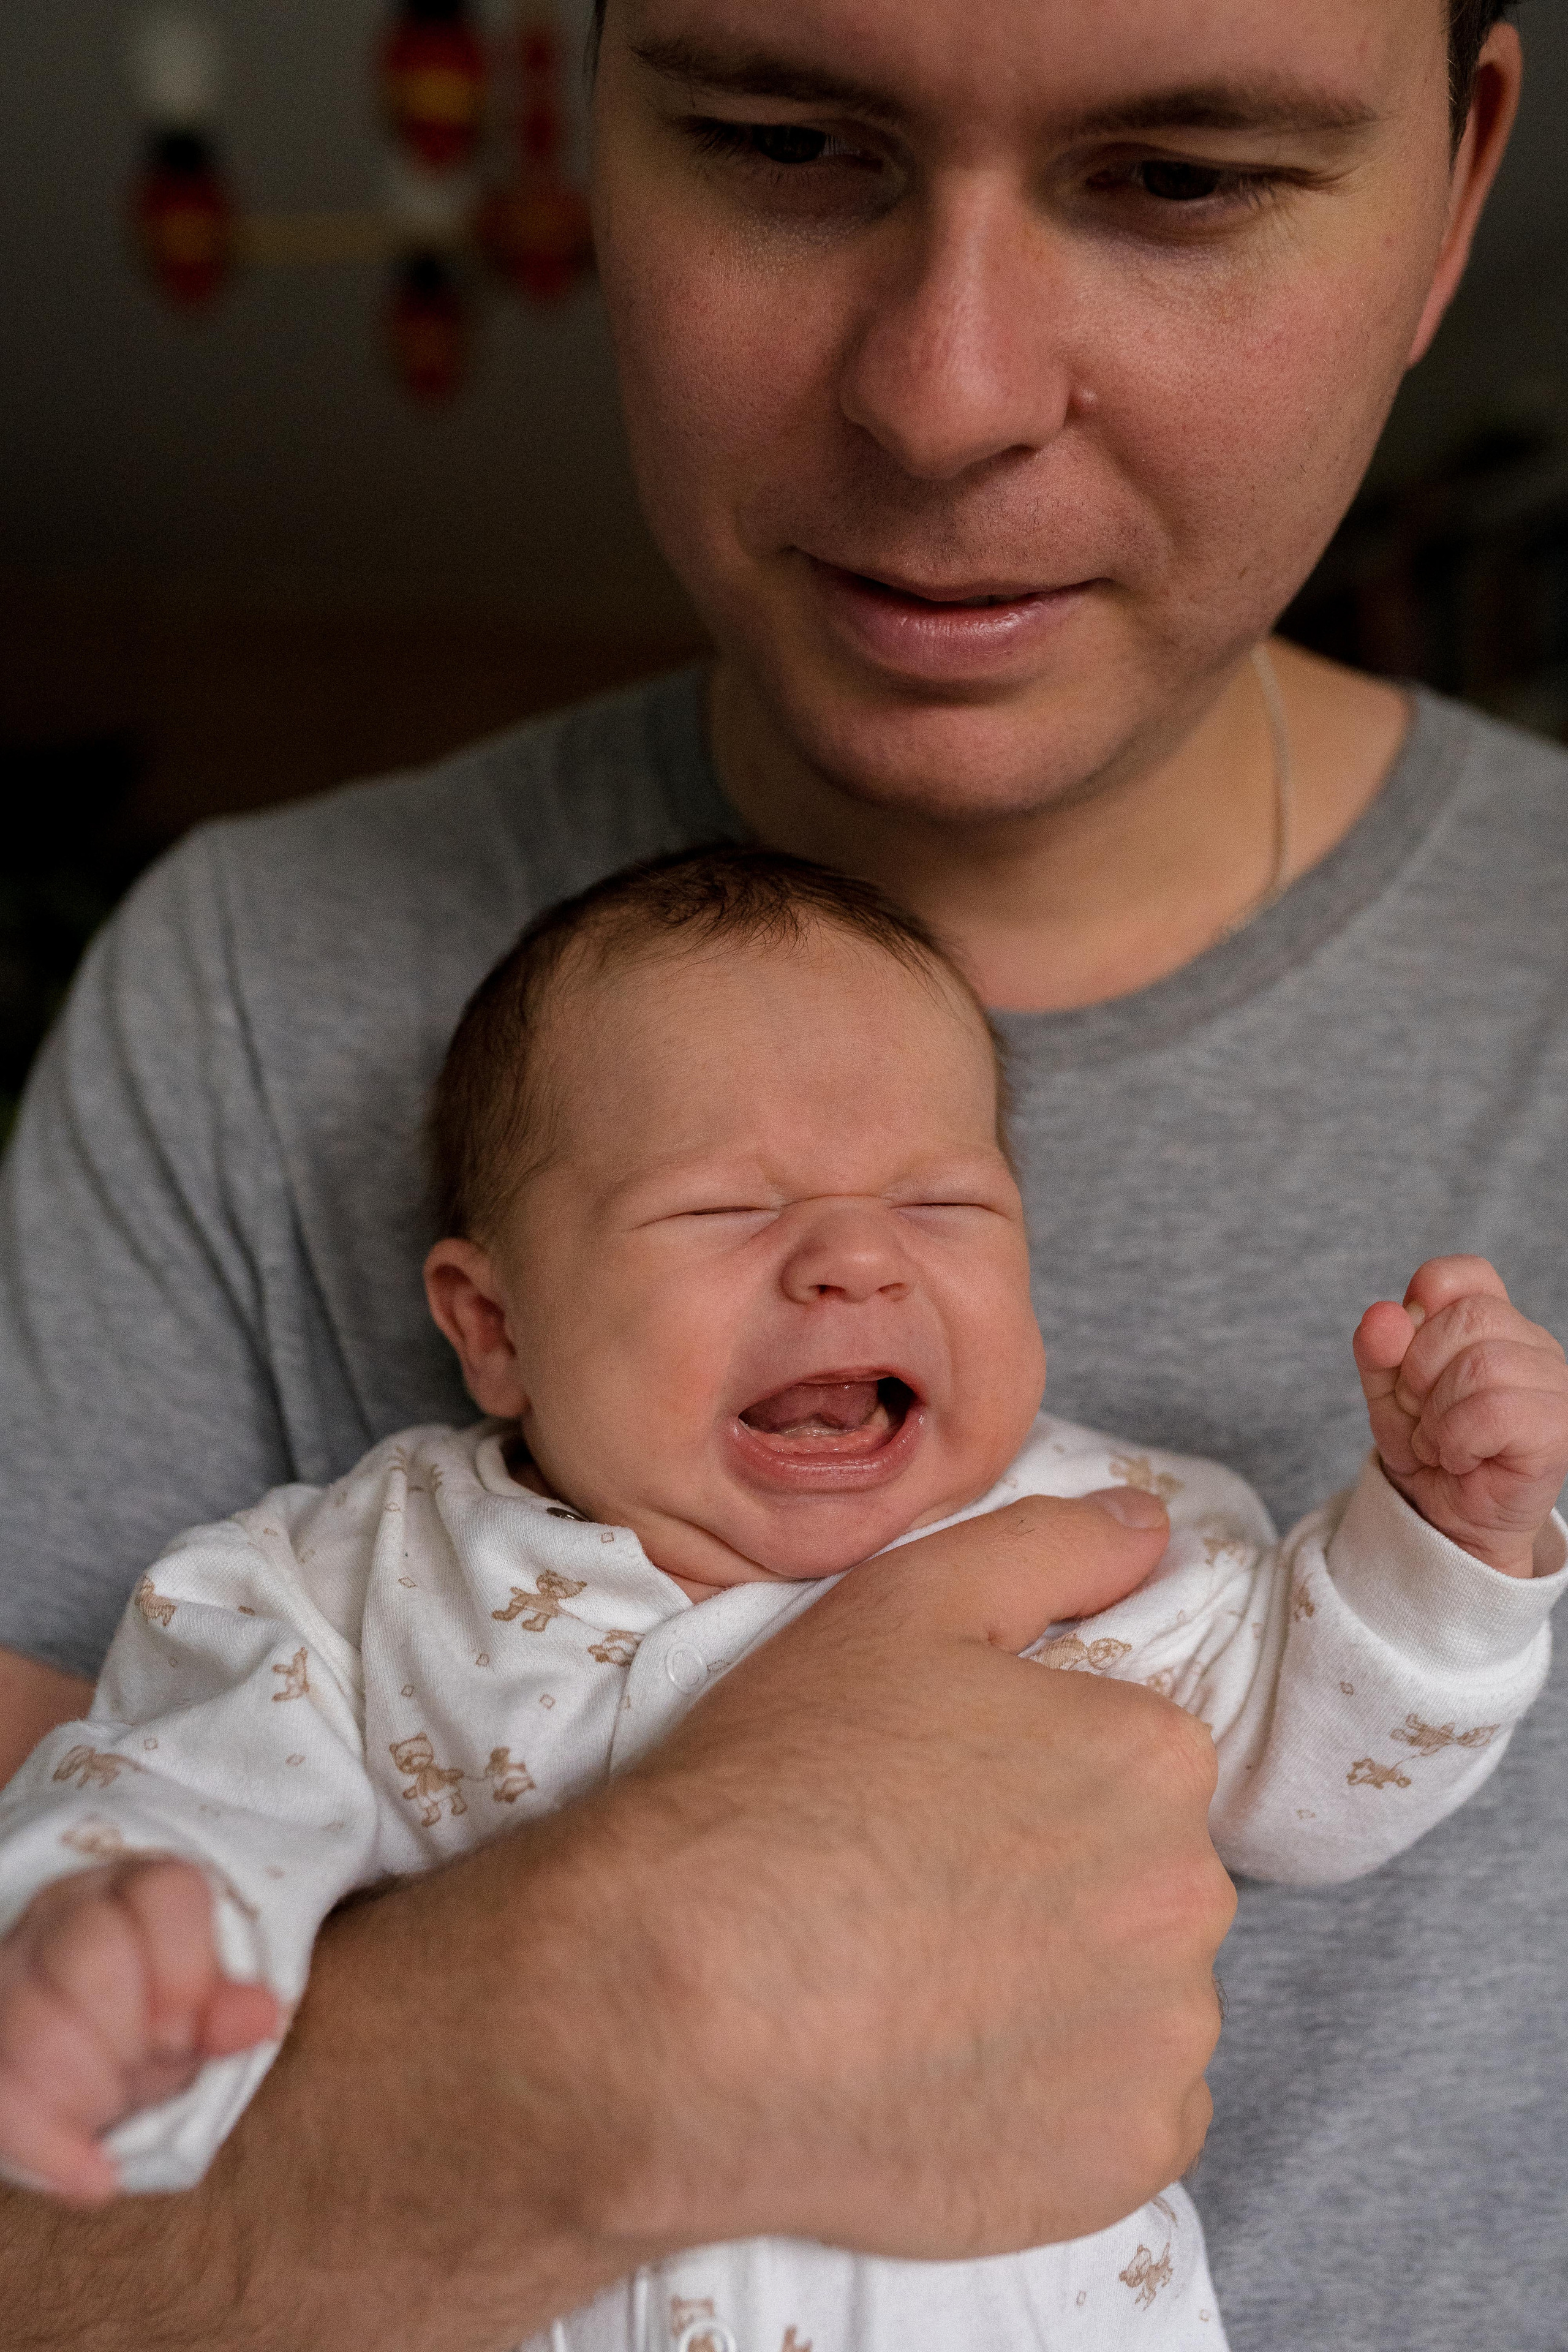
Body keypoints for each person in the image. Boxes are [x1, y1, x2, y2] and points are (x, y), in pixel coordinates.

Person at [0, 1, 1551, 2346]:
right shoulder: (260, 1113)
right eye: (787, 139)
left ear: (1454, 189)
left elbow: (1337, 1725)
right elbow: (92, 1959)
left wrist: (1442, 1551)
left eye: (1178, 178)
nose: (947, 398)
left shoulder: (1126, 1533)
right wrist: (612, 2022)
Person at [4, 850, 1566, 2352]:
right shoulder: (348, 1584)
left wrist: (1439, 1535)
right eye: (722, 1211)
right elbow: (177, 1801)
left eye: (943, 1207)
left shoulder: (1113, 1539)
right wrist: (98, 1953)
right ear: (493, 1327)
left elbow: (1321, 1776)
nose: (850, 1260)